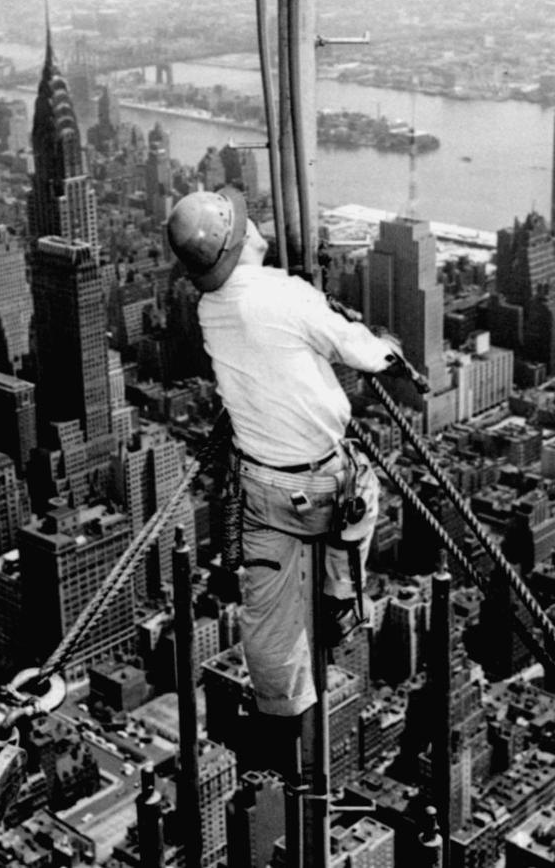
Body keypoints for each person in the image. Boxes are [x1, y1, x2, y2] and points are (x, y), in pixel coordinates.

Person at [166, 187, 406, 721]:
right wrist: (388, 349)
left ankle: (279, 705)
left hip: (259, 487)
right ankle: (341, 597)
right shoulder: (286, 294)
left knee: (268, 602)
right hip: (321, 484)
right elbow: (360, 351)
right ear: (241, 238)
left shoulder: (211, 307)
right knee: (362, 489)